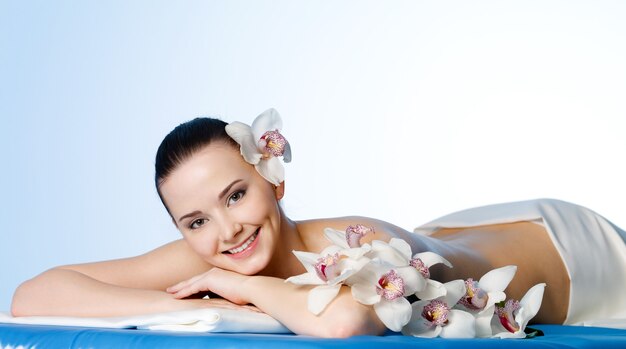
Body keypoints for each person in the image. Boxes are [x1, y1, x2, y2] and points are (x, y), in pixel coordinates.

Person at [11, 109, 626, 338]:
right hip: (458, 231)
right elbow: (34, 295)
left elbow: (345, 319)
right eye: (195, 220)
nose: (225, 233)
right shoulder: (212, 254)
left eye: (236, 196)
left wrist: (246, 293)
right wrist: (184, 308)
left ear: (275, 182)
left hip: (570, 256)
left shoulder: (357, 242)